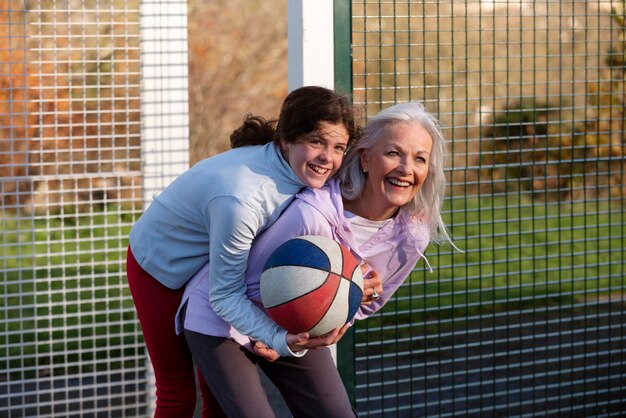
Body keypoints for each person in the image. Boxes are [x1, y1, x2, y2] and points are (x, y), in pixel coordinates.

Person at [178, 101, 454, 417]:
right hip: (221, 317)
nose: (407, 168)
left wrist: (355, 298)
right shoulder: (312, 214)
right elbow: (246, 284)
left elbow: (365, 304)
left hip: (296, 321)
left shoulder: (411, 235)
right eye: (394, 153)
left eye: (420, 159)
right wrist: (272, 336)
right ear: (365, 157)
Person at [125, 86, 358, 418]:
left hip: (211, 260)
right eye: (316, 141)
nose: (328, 158)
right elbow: (224, 295)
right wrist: (278, 337)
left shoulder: (306, 175)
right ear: (286, 139)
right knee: (177, 392)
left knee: (219, 399)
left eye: (338, 147)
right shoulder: (244, 200)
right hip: (160, 268)